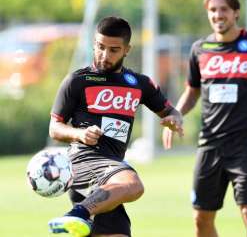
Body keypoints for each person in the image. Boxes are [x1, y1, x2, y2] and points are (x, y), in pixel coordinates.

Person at [48, 16, 183, 237]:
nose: (104, 55)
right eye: (100, 47)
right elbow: (55, 127)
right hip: (85, 161)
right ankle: (78, 214)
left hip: (110, 176)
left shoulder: (139, 83)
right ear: (94, 43)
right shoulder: (77, 81)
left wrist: (175, 118)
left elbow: (169, 111)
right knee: (133, 184)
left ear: (127, 49)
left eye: (113, 50)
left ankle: (79, 217)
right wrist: (80, 134)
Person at [162, 0, 247, 237]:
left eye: (224, 9)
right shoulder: (199, 49)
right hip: (210, 145)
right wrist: (175, 113)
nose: (218, 15)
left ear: (236, 12)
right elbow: (192, 91)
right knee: (201, 219)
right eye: (213, 10)